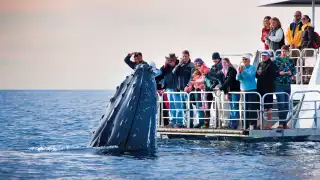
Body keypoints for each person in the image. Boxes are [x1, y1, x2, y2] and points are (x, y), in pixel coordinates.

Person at [156, 53, 183, 128]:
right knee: (171, 107)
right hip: (169, 88)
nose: (170, 61)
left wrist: (176, 65)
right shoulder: (165, 67)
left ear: (175, 59)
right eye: (169, 60)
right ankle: (173, 122)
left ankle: (179, 122)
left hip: (176, 88)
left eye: (172, 60)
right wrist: (164, 65)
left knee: (178, 106)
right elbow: (159, 74)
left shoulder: (179, 65)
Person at [274, 45, 296, 129]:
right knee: (281, 104)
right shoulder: (276, 60)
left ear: (288, 52)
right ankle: (280, 123)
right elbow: (273, 71)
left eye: (285, 51)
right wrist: (279, 73)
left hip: (287, 84)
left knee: (286, 105)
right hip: (279, 84)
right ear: (281, 51)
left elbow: (294, 70)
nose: (284, 53)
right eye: (283, 51)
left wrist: (292, 74)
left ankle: (284, 124)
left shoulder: (290, 60)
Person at [236, 54, 259, 129]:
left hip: (252, 90)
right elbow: (237, 78)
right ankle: (245, 125)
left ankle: (252, 125)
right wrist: (239, 72)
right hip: (243, 90)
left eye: (245, 59)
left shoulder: (253, 68)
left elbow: (250, 76)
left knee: (252, 108)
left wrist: (243, 72)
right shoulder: (241, 68)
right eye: (243, 59)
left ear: (249, 60)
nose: (244, 61)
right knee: (243, 108)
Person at [172, 50, 195, 125]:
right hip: (181, 89)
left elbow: (192, 77)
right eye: (183, 56)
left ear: (189, 56)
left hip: (188, 89)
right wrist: (179, 64)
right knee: (184, 106)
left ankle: (190, 122)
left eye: (186, 56)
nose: (184, 58)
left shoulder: (191, 65)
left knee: (189, 106)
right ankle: (186, 122)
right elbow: (174, 72)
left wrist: (188, 86)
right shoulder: (180, 65)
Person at [217, 58, 241, 129]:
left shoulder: (232, 70)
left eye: (225, 62)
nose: (223, 64)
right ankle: (231, 123)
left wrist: (220, 88)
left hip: (235, 91)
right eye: (222, 63)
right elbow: (223, 83)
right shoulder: (222, 72)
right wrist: (226, 93)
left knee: (235, 107)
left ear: (228, 63)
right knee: (231, 107)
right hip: (229, 91)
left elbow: (229, 81)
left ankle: (235, 124)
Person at [256, 51, 277, 129]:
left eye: (265, 56)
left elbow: (273, 75)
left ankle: (269, 124)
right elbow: (257, 75)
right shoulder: (260, 64)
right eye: (262, 56)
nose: (263, 57)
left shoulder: (272, 64)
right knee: (259, 107)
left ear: (268, 56)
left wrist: (261, 73)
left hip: (268, 89)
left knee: (269, 107)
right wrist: (257, 73)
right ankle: (259, 123)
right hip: (260, 88)